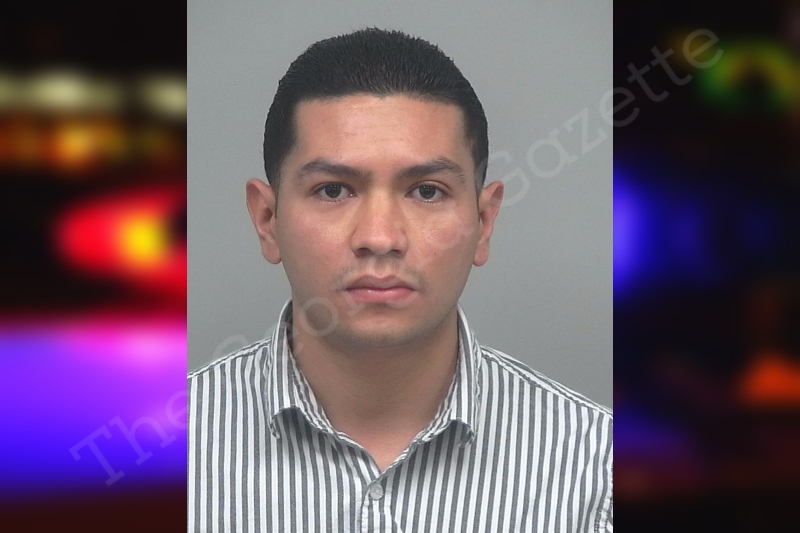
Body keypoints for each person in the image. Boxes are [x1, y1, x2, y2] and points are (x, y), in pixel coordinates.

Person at [188, 28, 612, 533]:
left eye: (427, 192)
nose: (380, 237)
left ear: (483, 223)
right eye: (333, 190)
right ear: (267, 220)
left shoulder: (598, 470)